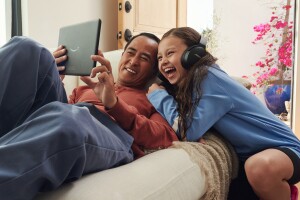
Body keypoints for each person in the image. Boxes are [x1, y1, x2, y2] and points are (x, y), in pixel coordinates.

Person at [0, 33, 177, 200]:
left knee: (71, 117)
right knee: (27, 48)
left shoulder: (153, 97)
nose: (134, 61)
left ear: (155, 71)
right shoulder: (86, 88)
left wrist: (114, 105)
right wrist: (52, 77)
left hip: (111, 134)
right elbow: (54, 113)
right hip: (70, 115)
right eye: (130, 53)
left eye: (144, 58)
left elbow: (165, 135)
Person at [147, 27, 300, 200]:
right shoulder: (193, 85)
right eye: (160, 58)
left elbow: (187, 129)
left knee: (258, 168)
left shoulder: (209, 77)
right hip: (251, 158)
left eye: (170, 53)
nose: (163, 61)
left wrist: (158, 95)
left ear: (194, 54)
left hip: (286, 151)